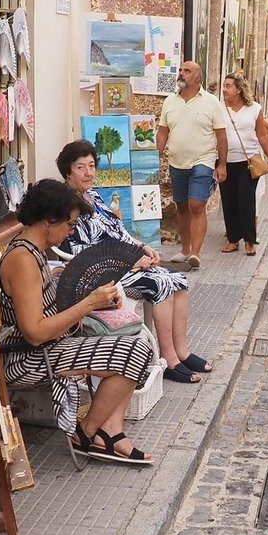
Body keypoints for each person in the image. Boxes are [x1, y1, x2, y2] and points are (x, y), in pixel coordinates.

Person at [0, 180, 156, 464]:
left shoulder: (32, 250)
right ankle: (87, 433)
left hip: (48, 348)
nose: (70, 231)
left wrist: (79, 291)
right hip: (28, 358)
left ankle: (110, 430)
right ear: (49, 220)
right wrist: (88, 303)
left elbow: (41, 305)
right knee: (135, 351)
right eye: (69, 224)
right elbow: (33, 332)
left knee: (137, 344)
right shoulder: (23, 259)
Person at [57, 141, 211, 383]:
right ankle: (169, 359)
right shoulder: (67, 205)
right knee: (160, 283)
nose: (88, 173)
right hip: (102, 271)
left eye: (91, 166)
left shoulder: (94, 196)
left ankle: (182, 352)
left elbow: (119, 232)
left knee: (178, 279)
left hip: (122, 262)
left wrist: (141, 247)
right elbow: (84, 251)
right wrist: (130, 262)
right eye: (80, 168)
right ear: (67, 172)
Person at [156, 60, 227, 269]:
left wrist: (221, 164)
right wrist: (155, 156)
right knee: (182, 206)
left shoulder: (211, 102)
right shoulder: (170, 101)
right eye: (180, 70)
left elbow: (221, 136)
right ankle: (185, 249)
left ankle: (196, 253)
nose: (181, 74)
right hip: (177, 162)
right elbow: (162, 131)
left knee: (197, 204)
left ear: (197, 78)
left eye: (186, 71)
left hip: (202, 160)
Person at [218, 73, 268, 256]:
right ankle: (233, 239)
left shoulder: (254, 109)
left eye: (228, 86)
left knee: (246, 201)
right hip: (225, 161)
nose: (224, 89)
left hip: (248, 161)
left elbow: (262, 134)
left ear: (238, 89)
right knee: (229, 201)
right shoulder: (219, 109)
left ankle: (250, 240)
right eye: (224, 85)